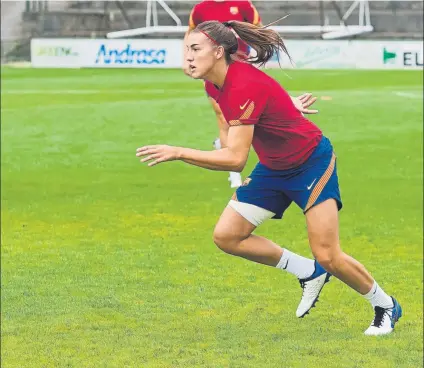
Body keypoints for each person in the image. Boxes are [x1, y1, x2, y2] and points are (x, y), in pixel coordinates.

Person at [136, 20, 402, 335]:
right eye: (186, 50)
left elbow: (236, 158)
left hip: (310, 163)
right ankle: (307, 272)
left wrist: (179, 152)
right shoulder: (215, 81)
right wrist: (285, 106)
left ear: (219, 52)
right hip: (274, 167)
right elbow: (261, 98)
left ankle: (385, 305)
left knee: (328, 254)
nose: (188, 58)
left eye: (195, 49)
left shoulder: (241, 83)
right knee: (227, 236)